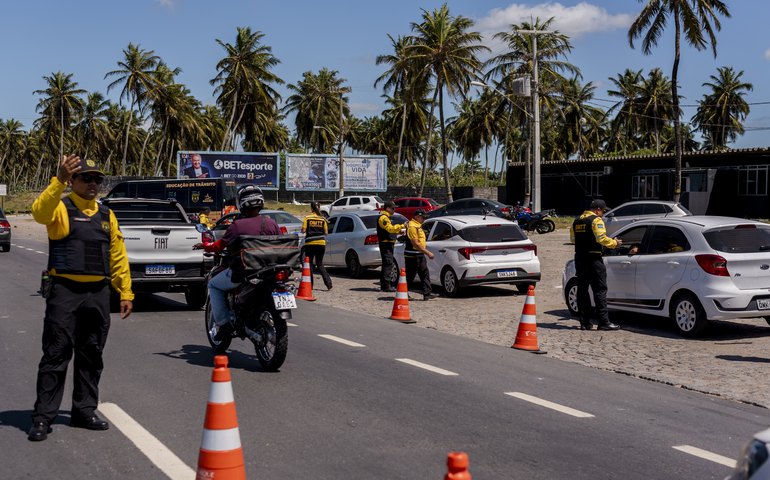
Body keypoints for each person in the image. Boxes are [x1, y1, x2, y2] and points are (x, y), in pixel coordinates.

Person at [28, 155, 134, 442]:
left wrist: (125, 291)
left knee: (91, 354)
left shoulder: (106, 215)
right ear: (73, 181)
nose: (92, 183)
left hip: (97, 294)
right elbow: (38, 213)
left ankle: (84, 411)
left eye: (97, 179)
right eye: (86, 178)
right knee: (56, 353)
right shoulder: (60, 208)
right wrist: (57, 180)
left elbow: (117, 256)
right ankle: (43, 417)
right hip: (64, 291)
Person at [193, 185, 279, 341]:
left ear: (242, 204)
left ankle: (224, 324)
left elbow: (219, 246)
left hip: (244, 272)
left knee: (213, 284)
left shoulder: (238, 225)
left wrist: (204, 245)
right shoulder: (271, 223)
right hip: (269, 271)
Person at [571, 199, 622, 331]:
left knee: (582, 290)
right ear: (597, 209)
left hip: (580, 258)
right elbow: (601, 238)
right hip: (593, 258)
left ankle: (585, 322)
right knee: (599, 289)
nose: (603, 214)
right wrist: (614, 243)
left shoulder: (577, 221)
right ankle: (603, 322)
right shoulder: (596, 220)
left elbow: (572, 239)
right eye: (603, 211)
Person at [404, 209, 436, 301]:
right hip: (412, 256)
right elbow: (416, 244)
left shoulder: (417, 225)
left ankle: (427, 294)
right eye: (423, 218)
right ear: (417, 217)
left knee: (424, 273)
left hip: (419, 254)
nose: (424, 220)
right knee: (410, 276)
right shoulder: (412, 226)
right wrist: (428, 252)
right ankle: (403, 293)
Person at [301, 202, 333, 290]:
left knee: (310, 264)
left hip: (310, 244)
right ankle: (328, 283)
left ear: (311, 208)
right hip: (321, 243)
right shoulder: (323, 219)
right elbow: (326, 233)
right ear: (319, 208)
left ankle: (310, 285)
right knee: (320, 263)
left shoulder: (307, 218)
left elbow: (303, 230)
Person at [377, 200, 405, 292]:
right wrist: (401, 226)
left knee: (387, 264)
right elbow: (389, 229)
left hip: (388, 243)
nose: (394, 210)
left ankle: (384, 285)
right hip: (386, 244)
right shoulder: (383, 218)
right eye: (393, 208)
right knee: (388, 264)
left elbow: (391, 230)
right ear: (388, 208)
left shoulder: (387, 217)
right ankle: (386, 286)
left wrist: (399, 231)